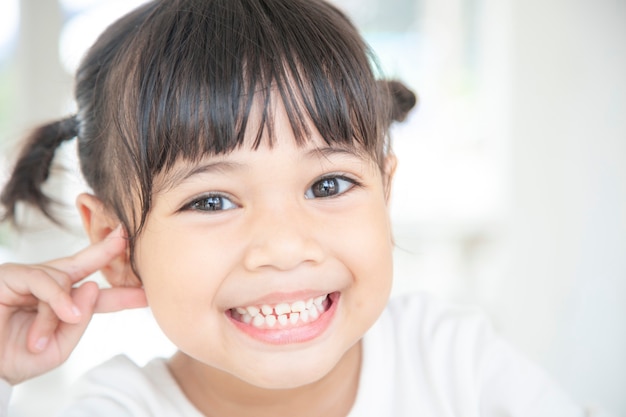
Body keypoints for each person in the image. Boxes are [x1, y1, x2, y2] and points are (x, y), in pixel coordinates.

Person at [0, 0, 593, 416]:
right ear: (118, 242)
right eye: (211, 199)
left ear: (386, 191)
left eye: (328, 185)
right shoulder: (121, 408)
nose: (285, 246)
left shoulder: (450, 361)